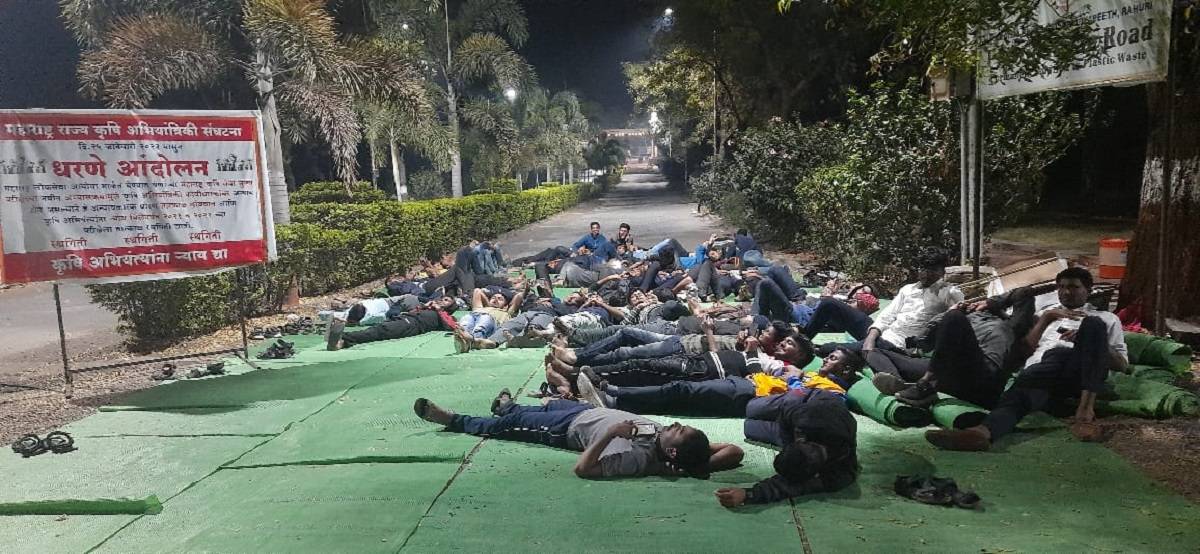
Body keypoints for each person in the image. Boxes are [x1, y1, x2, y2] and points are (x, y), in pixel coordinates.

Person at [925, 267, 1129, 451]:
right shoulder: (1046, 314)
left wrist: (1090, 342)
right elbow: (1023, 352)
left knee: (1088, 329)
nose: (1067, 292)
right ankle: (980, 434)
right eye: (1062, 287)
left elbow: (1122, 364)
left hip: (1080, 376)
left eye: (1074, 287)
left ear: (1088, 290)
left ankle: (1085, 413)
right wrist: (1046, 319)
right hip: (1042, 376)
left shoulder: (1107, 318)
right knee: (1021, 395)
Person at [412, 394, 744, 479]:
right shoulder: (677, 449)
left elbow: (584, 469)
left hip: (568, 431)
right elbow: (734, 451)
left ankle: (454, 420)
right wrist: (699, 465)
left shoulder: (639, 458)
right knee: (539, 406)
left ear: (672, 453)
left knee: (508, 425)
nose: (674, 425)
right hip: (580, 411)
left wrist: (611, 434)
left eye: (679, 431)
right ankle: (508, 405)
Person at [867, 285, 1041, 408]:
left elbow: (1024, 293)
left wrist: (991, 303)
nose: (975, 304)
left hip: (982, 380)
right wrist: (946, 314)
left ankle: (926, 385)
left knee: (954, 318)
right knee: (873, 351)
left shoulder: (1010, 324)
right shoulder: (965, 317)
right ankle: (901, 384)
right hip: (948, 372)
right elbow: (923, 342)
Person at [583, 347, 864, 417]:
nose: (827, 359)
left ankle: (614, 395)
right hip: (747, 383)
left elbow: (809, 405)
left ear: (847, 369)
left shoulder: (833, 390)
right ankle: (616, 394)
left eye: (834, 359)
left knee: (680, 390)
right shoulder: (815, 376)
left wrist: (793, 382)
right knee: (682, 397)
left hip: (751, 393)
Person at [716, 390, 859, 507]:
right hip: (809, 400)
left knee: (749, 428)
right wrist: (787, 445)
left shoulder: (841, 473)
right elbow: (787, 411)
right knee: (751, 408)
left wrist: (748, 494)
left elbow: (792, 486)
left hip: (804, 427)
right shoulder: (810, 418)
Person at [556, 331, 815, 388]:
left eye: (789, 344)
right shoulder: (766, 354)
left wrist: (749, 350)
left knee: (636, 364)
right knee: (634, 361)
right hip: (700, 357)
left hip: (703, 369)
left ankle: (573, 372)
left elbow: (756, 378)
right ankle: (576, 368)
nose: (782, 343)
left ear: (800, 357)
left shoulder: (788, 369)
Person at [851, 249, 963, 355]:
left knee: (841, 351)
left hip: (905, 346)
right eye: (923, 269)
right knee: (834, 305)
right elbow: (887, 316)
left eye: (933, 270)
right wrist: (869, 340)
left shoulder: (950, 292)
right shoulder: (908, 289)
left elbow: (958, 321)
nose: (926, 274)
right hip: (885, 336)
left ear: (942, 272)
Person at [326, 296, 458, 350]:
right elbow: (412, 310)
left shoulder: (445, 315)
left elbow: (451, 326)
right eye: (443, 298)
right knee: (379, 329)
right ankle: (341, 339)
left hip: (412, 325)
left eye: (446, 301)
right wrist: (425, 306)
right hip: (404, 319)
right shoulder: (427, 307)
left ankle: (341, 340)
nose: (442, 300)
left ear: (448, 308)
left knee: (381, 330)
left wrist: (438, 310)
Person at [454, 287, 525, 352]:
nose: (496, 299)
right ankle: (463, 339)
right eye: (493, 298)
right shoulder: (479, 308)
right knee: (466, 319)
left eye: (500, 299)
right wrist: (488, 304)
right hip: (474, 315)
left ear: (505, 306)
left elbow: (519, 296)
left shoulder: (507, 312)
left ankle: (472, 341)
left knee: (485, 318)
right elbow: (477, 291)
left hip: (491, 321)